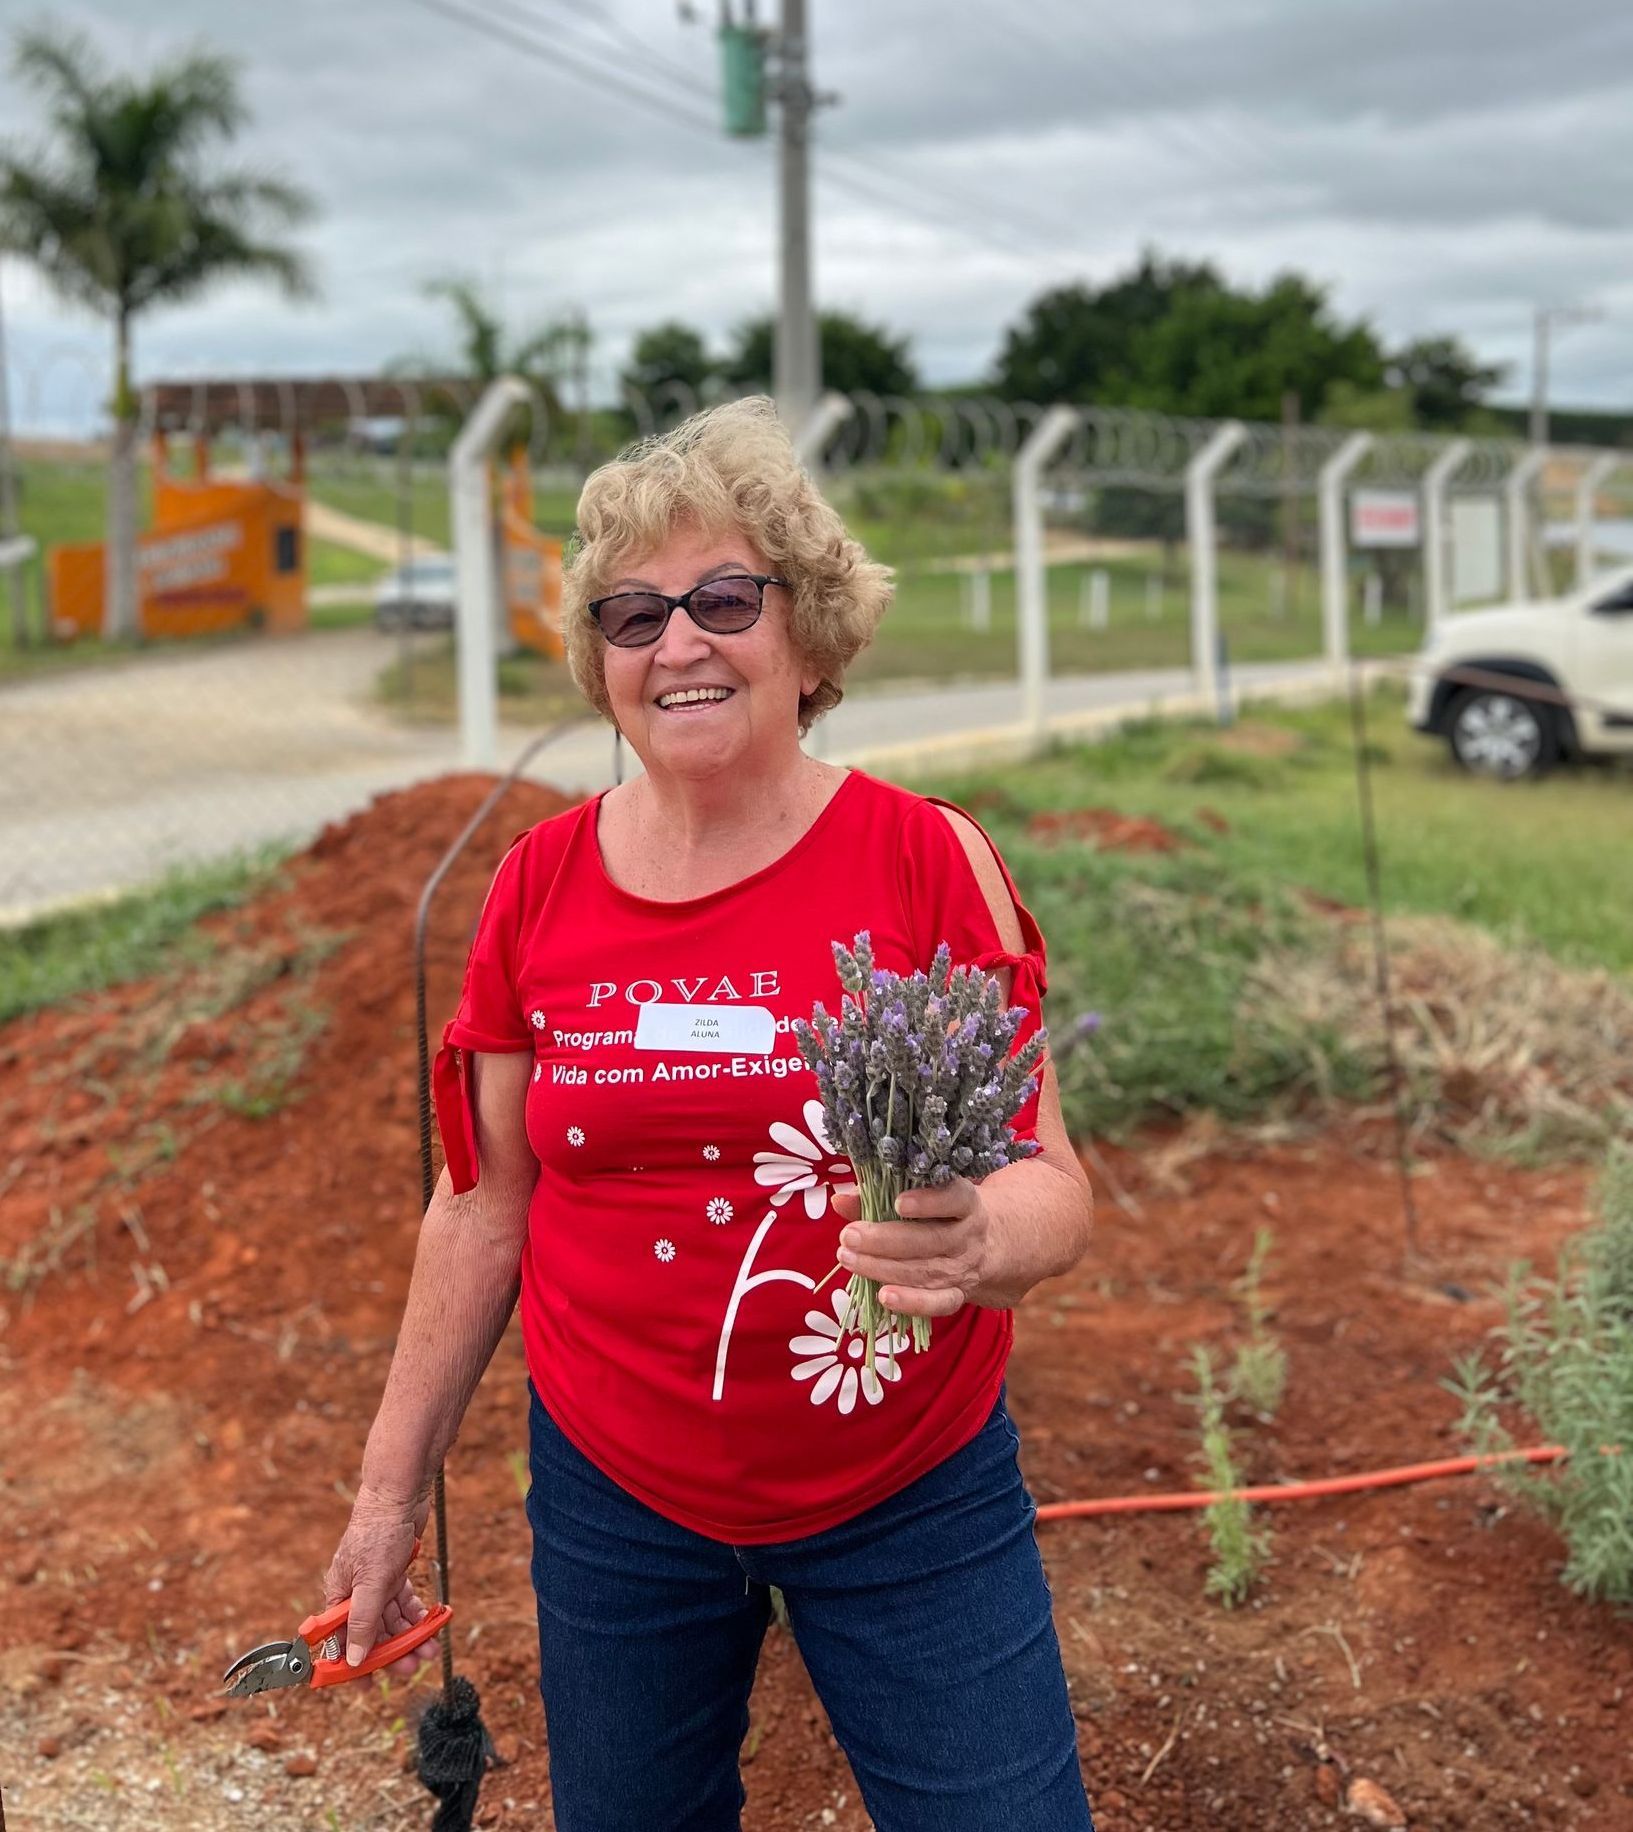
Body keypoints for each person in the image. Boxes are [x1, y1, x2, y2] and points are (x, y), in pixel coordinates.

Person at [324, 396, 1097, 1831]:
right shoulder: (538, 885)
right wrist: (386, 1497)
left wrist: (984, 1238)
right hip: (617, 1501)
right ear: (602, 663)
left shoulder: (926, 860)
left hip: (908, 1490)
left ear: (808, 634)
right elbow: (481, 1206)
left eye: (723, 600)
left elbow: (1051, 1182)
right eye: (633, 615)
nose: (677, 643)